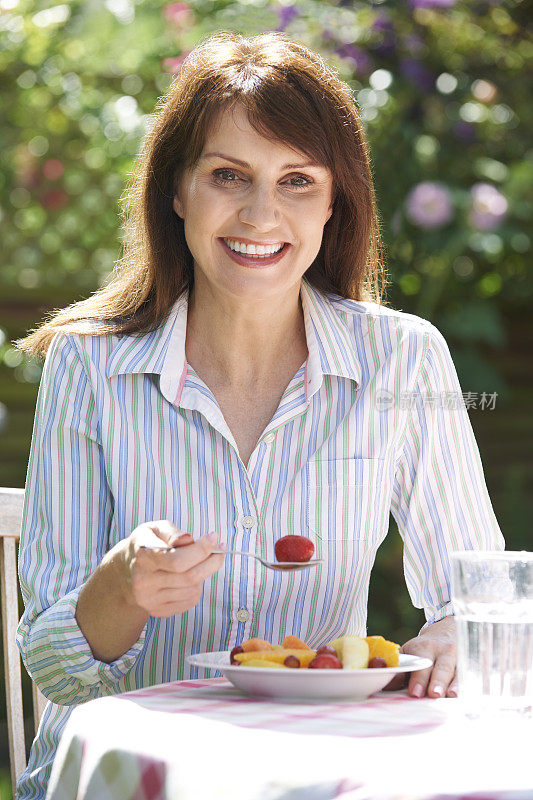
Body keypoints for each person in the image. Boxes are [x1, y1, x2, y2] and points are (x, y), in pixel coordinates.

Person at [15, 30, 504, 799]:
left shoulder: (405, 359)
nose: (260, 213)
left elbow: (478, 600)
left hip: (312, 778)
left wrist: (454, 637)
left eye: (297, 181)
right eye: (228, 175)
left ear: (335, 201)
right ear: (177, 190)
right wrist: (122, 588)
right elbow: (54, 670)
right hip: (126, 779)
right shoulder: (89, 365)